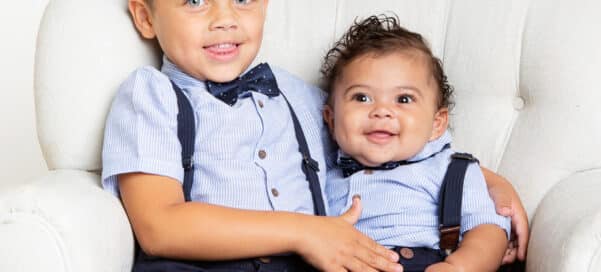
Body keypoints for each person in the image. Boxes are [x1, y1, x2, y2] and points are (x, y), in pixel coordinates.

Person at [101, 0, 527, 271]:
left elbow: (381, 138)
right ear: (145, 16)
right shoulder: (152, 95)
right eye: (195, 1)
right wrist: (306, 232)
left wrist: (489, 181)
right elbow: (159, 226)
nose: (225, 19)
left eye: (244, 0)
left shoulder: (298, 97)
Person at [321, 15, 511, 271]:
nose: (382, 111)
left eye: (404, 99)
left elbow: (488, 229)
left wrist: (459, 267)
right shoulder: (319, 173)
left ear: (436, 124)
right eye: (362, 97)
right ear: (331, 120)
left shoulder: (450, 170)